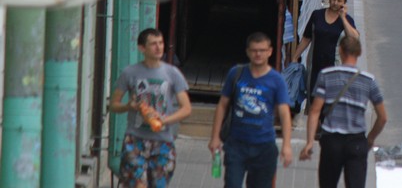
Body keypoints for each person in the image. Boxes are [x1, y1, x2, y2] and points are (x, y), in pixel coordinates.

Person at [299, 36, 387, 188]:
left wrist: (309, 143)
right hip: (357, 142)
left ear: (340, 50)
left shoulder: (326, 75)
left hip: (331, 141)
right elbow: (383, 117)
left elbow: (314, 111)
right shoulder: (368, 80)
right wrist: (371, 138)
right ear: (359, 53)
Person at [110, 28, 192, 188]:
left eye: (161, 43)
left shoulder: (172, 73)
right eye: (153, 44)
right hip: (134, 139)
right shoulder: (130, 72)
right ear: (142, 48)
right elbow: (114, 104)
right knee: (136, 184)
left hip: (163, 140)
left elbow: (186, 108)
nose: (158, 47)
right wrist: (128, 106)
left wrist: (165, 119)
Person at [209, 33, 292, 188]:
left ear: (270, 51)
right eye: (254, 50)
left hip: (264, 146)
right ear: (247, 52)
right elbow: (222, 105)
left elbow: (284, 113)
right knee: (232, 184)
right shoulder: (236, 73)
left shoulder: (277, 80)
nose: (258, 54)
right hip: (236, 144)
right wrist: (215, 137)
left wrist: (286, 145)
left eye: (262, 50)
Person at [294, 0, 360, 106]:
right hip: (315, 68)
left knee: (330, 105)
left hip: (334, 69)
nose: (335, 3)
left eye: (339, 1)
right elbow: (306, 39)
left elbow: (354, 37)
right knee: (314, 103)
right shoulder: (317, 15)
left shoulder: (346, 20)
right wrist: (294, 58)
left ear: (344, 3)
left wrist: (343, 18)